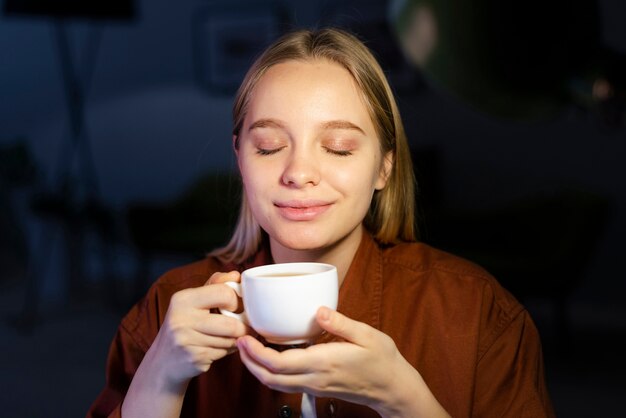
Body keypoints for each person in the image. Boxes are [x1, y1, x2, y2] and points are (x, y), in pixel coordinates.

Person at [87, 28, 555, 418]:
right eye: (269, 146)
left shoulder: (477, 313)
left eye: (338, 148)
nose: (298, 173)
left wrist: (405, 401)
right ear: (240, 158)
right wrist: (160, 377)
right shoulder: (168, 309)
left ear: (383, 167)